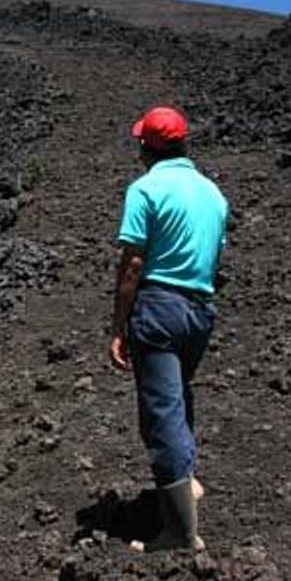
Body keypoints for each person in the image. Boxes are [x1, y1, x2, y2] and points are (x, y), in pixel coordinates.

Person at [108, 106, 228, 553]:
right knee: (178, 397)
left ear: (146, 148)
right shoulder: (213, 194)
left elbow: (134, 261)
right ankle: (187, 484)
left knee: (160, 412)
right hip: (200, 310)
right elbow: (215, 259)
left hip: (157, 308)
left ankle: (179, 533)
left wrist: (119, 325)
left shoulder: (146, 189)